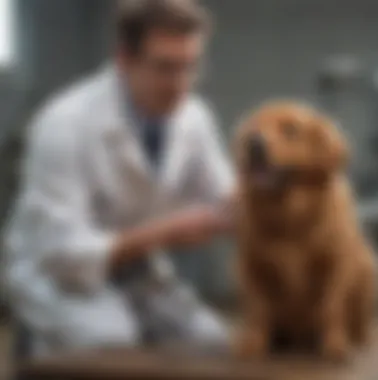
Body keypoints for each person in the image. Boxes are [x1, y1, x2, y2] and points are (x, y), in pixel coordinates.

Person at [4, 0, 235, 356]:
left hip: (137, 267)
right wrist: (167, 233)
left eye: (190, 67)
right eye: (165, 67)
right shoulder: (64, 123)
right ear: (124, 58)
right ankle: (35, 342)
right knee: (110, 341)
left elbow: (225, 197)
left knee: (213, 342)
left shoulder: (194, 117)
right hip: (55, 272)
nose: (180, 84)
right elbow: (63, 253)